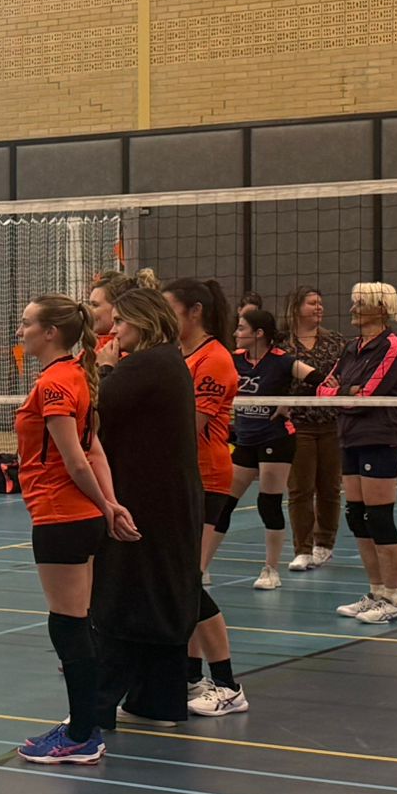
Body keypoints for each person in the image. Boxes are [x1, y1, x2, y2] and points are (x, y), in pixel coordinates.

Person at [13, 296, 136, 765]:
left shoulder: (55, 383)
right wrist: (110, 504)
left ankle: (83, 734)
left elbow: (76, 458)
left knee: (67, 625)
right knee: (77, 622)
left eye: (27, 323)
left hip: (60, 514)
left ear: (50, 333)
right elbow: (94, 448)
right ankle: (84, 724)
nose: (20, 330)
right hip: (77, 515)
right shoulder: (74, 375)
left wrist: (106, 504)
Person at [88, 286, 200, 731]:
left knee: (127, 591)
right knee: (163, 591)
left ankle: (96, 707)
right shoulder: (169, 361)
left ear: (142, 321)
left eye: (120, 321)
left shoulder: (147, 364)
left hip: (146, 499)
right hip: (169, 497)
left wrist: (105, 368)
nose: (113, 330)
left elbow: (96, 410)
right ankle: (157, 702)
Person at [164, 277, 247, 717]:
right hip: (182, 477)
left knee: (188, 582)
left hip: (207, 479)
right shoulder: (180, 354)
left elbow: (187, 427)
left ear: (194, 311)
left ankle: (228, 685)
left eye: (170, 309)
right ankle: (190, 676)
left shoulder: (214, 359)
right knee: (183, 582)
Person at [326, 283, 397, 624]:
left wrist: (345, 394)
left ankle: (394, 599)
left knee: (379, 517)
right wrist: (346, 393)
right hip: (349, 435)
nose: (352, 309)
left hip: (380, 435)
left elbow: (368, 396)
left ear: (381, 308)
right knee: (356, 516)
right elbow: (323, 388)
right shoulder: (351, 347)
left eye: (360, 303)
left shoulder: (391, 345)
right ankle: (376, 593)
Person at [227, 308, 307, 590]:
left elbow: (319, 381)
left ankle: (271, 570)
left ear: (259, 333)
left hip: (275, 439)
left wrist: (291, 400)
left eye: (241, 328)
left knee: (268, 503)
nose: (236, 333)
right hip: (245, 439)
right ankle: (200, 568)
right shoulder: (234, 360)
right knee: (223, 504)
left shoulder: (282, 361)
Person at [282, 285, 346, 571]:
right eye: (312, 303)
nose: (319, 307)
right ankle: (303, 549)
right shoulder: (283, 344)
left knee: (330, 487)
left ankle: (324, 544)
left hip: (331, 422)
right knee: (300, 488)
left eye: (321, 302)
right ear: (296, 308)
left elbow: (346, 375)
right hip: (298, 423)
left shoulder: (336, 342)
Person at [87, 267, 158, 365]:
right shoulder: (96, 346)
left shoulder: (126, 355)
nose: (88, 310)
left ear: (118, 306)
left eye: (95, 305)